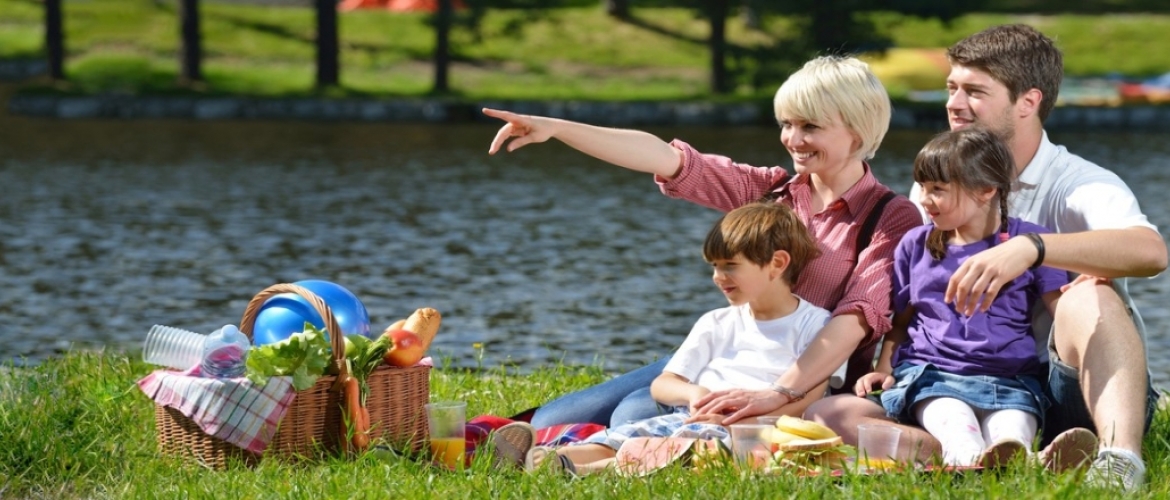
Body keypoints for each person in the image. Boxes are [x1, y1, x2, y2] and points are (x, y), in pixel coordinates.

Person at [805, 24, 1166, 491]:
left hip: (1062, 391)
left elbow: (1151, 252)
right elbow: (914, 301)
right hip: (946, 385)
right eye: (951, 88)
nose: (954, 104)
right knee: (830, 415)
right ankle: (971, 455)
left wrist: (1031, 248)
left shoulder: (1079, 183)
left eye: (974, 91)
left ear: (1028, 102)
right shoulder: (936, 188)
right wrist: (884, 367)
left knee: (1090, 294)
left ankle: (1120, 458)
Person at [484, 55, 922, 430]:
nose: (792, 139)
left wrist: (778, 392)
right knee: (549, 421)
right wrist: (557, 128)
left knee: (632, 413)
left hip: (804, 379)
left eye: (810, 126)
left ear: (857, 133)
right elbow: (668, 159)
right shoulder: (769, 192)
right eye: (787, 124)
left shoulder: (890, 216)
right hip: (727, 357)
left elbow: (855, 320)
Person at [501, 202, 842, 474]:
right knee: (623, 437)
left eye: (729, 265)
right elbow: (663, 384)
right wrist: (694, 394)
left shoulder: (816, 325)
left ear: (777, 263)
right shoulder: (716, 321)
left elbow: (809, 397)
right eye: (714, 266)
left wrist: (742, 422)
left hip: (757, 431)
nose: (718, 276)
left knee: (680, 452)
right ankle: (544, 459)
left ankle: (574, 469)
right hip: (691, 418)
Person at [853, 127, 1067, 468]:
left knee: (1012, 433)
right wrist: (883, 369)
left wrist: (1085, 291)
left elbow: (1063, 314)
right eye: (923, 187)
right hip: (934, 377)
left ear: (986, 189)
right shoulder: (915, 244)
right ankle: (979, 461)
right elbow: (902, 322)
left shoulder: (1030, 243)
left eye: (937, 189)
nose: (924, 199)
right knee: (957, 428)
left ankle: (1025, 460)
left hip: (1011, 382)